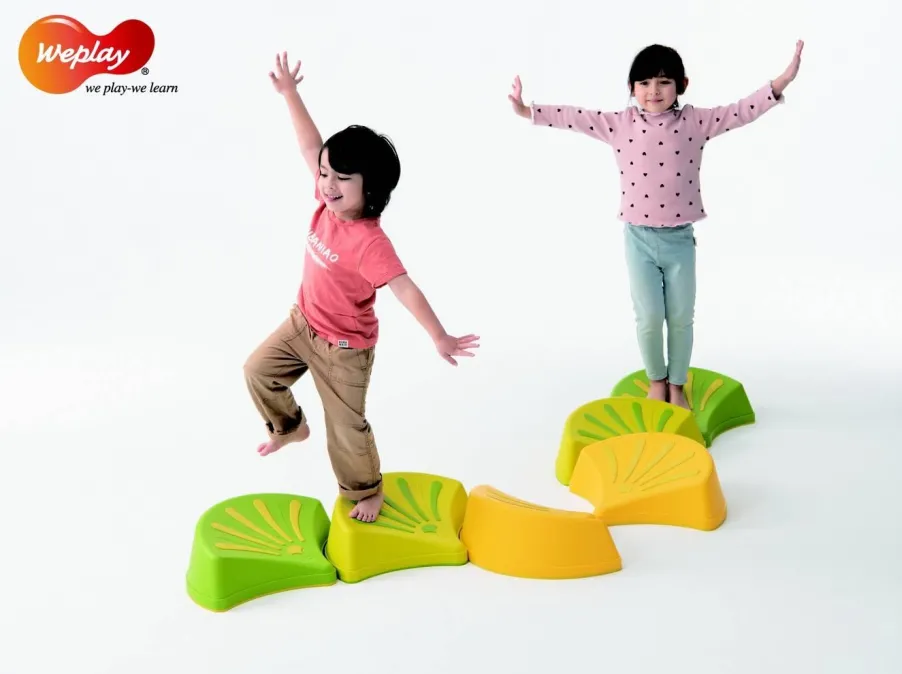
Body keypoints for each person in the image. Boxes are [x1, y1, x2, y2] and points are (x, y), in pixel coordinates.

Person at [244, 52, 480, 523]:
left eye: (341, 179)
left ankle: (366, 490)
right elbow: (310, 145)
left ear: (370, 189)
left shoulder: (370, 242)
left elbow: (405, 288)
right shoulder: (325, 199)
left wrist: (439, 335)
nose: (326, 184)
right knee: (256, 370)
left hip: (344, 350)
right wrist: (290, 94)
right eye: (325, 174)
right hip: (302, 323)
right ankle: (289, 428)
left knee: (346, 429)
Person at [507, 41, 803, 409]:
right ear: (632, 88)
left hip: (680, 240)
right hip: (638, 240)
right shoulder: (619, 124)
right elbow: (574, 116)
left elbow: (740, 111)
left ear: (682, 85)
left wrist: (781, 82)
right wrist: (526, 110)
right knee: (648, 318)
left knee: (680, 318)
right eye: (644, 83)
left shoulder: (694, 122)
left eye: (664, 82)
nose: (653, 91)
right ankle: (656, 380)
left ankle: (677, 385)